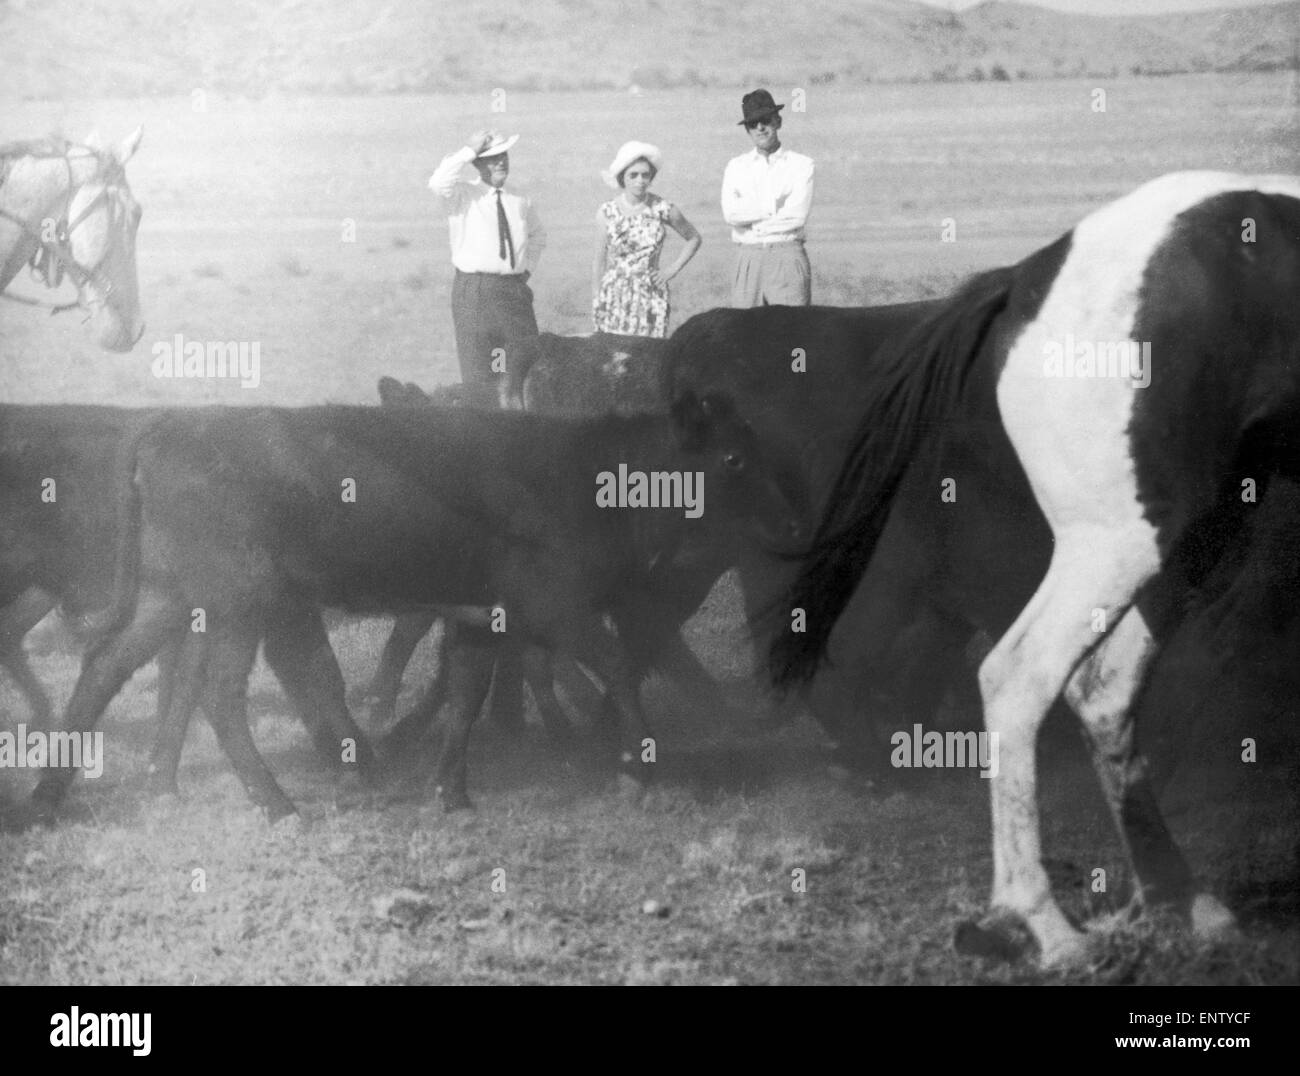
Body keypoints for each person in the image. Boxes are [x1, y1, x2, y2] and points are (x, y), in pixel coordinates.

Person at [429, 129, 546, 383]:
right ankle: (487, 419)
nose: (501, 162)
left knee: (520, 369)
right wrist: (468, 150)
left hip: (513, 292)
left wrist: (525, 271)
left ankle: (518, 420)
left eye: (504, 156)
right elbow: (438, 183)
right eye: (492, 158)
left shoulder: (519, 198)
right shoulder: (463, 195)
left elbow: (538, 236)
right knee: (482, 371)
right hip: (475, 292)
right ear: (478, 164)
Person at [592, 141, 701, 338]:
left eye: (645, 175)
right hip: (613, 294)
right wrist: (596, 297)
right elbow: (599, 259)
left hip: (651, 294)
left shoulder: (662, 208)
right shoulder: (607, 212)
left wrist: (671, 270)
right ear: (622, 178)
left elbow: (693, 238)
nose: (640, 180)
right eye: (633, 175)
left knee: (648, 357)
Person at [720, 89, 814, 307]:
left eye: (765, 121)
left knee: (792, 333)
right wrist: (772, 209)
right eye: (753, 124)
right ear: (747, 130)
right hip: (748, 258)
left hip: (786, 255)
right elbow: (731, 214)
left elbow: (796, 217)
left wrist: (752, 222)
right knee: (744, 334)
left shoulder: (801, 165)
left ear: (777, 121)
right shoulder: (736, 167)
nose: (760, 128)